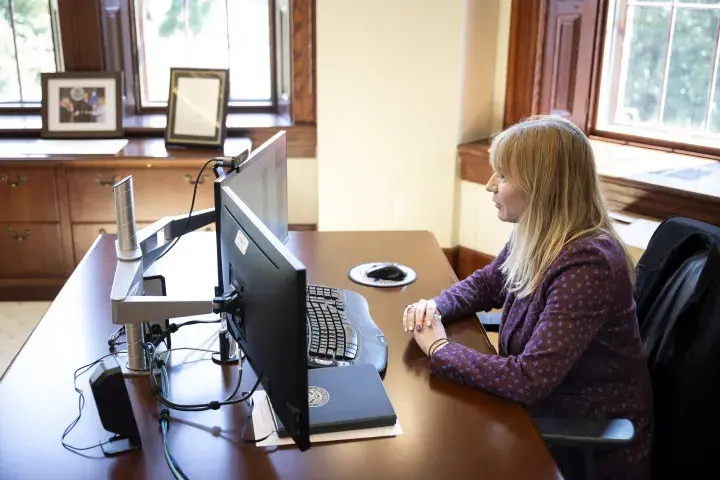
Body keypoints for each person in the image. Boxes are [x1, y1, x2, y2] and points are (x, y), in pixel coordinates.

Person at [403, 115, 653, 479]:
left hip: (582, 438)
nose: (490, 185)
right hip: (541, 411)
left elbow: (529, 379)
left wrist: (441, 349)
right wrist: (435, 306)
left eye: (502, 176)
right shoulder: (539, 235)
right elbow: (486, 285)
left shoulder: (589, 264)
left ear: (543, 187)